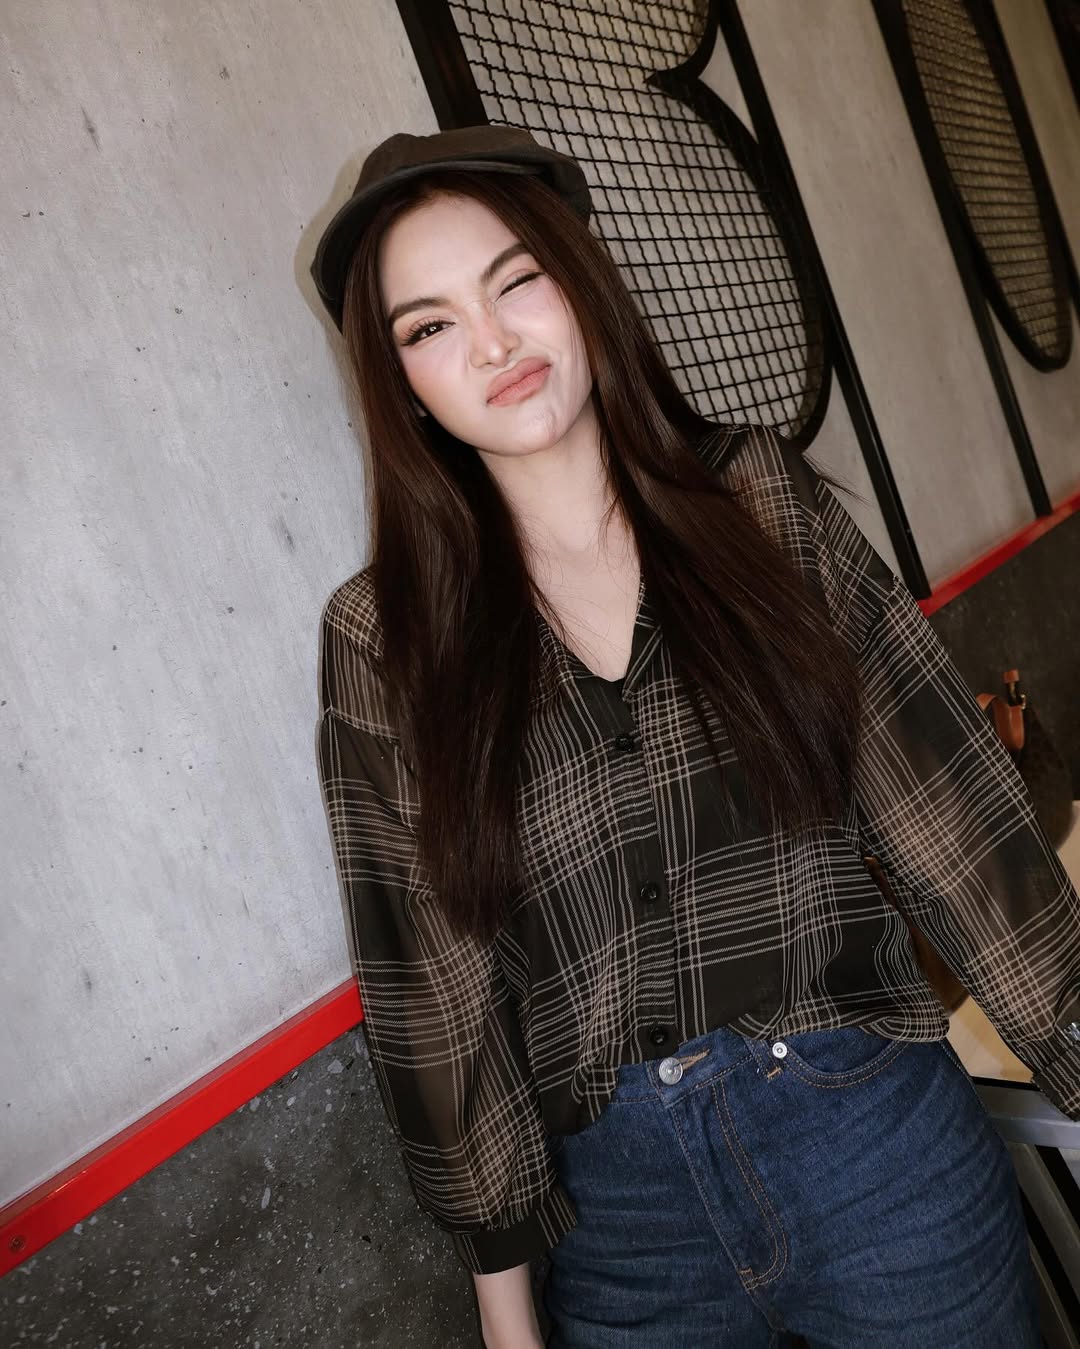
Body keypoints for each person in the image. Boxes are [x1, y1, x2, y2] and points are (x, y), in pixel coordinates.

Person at [309, 125, 1080, 1348]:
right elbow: (433, 978)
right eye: (431, 324)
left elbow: (949, 816)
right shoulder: (385, 636)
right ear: (402, 381)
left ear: (580, 280)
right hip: (623, 1225)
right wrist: (507, 1315)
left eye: (516, 280)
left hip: (878, 1152)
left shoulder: (758, 503)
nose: (494, 342)